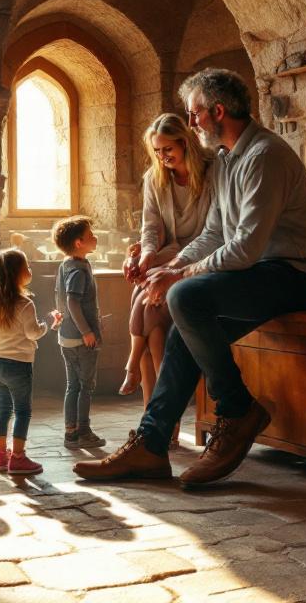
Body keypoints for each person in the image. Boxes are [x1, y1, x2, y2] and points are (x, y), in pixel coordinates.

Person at [74, 68, 306, 486]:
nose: (191, 123)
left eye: (194, 114)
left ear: (217, 110)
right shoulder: (229, 160)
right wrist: (169, 268)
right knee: (183, 329)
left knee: (186, 299)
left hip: (296, 274)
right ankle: (151, 444)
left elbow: (245, 248)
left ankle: (236, 410)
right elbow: (214, 234)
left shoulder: (263, 157)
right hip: (259, 273)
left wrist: (180, 278)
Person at [119, 113, 215, 424]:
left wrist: (169, 266)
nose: (162, 157)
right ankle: (158, 414)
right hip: (168, 255)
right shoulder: (155, 178)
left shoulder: (213, 172)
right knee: (149, 306)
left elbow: (214, 233)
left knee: (147, 304)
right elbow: (151, 228)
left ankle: (158, 413)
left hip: (203, 259)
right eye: (157, 151)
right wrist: (147, 255)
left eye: (168, 150)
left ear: (185, 142)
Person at [0, 248, 62, 476]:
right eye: (26, 267)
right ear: (16, 274)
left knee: (2, 409)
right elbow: (33, 333)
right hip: (18, 365)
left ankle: (0, 455)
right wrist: (49, 323)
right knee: (23, 411)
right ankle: (18, 458)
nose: (30, 270)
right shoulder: (25, 304)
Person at [51, 215, 106, 450]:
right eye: (90, 235)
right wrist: (87, 331)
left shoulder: (66, 264)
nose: (94, 237)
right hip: (80, 339)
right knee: (85, 386)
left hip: (66, 336)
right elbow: (73, 303)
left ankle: (70, 433)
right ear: (78, 243)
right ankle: (84, 431)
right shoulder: (79, 271)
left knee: (72, 385)